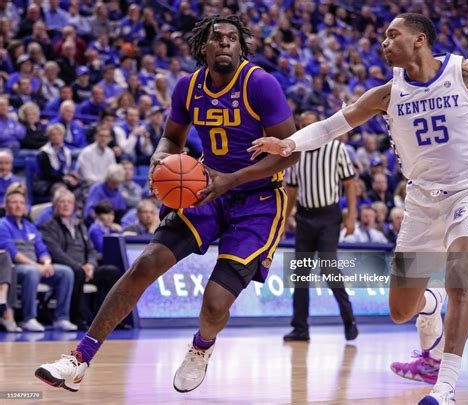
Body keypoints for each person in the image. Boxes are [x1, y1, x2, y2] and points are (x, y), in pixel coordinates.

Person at [35, 15, 298, 394]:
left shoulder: (260, 84)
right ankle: (78, 359)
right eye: (216, 38)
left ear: (241, 47)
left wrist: (234, 179)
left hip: (258, 199)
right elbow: (171, 139)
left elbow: (290, 153)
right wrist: (161, 160)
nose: (224, 43)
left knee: (214, 303)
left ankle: (200, 348)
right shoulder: (188, 87)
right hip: (207, 189)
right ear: (203, 47)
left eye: (232, 38)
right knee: (145, 264)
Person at [248, 13, 468, 405]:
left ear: (419, 40)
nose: (384, 43)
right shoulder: (387, 93)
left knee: (462, 277)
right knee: (401, 310)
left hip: (467, 192)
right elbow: (332, 125)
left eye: (392, 35)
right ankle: (433, 302)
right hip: (420, 203)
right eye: (383, 36)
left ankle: (445, 387)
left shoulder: (465, 73)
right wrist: (288, 146)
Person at [283, 111, 359, 342]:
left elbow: (349, 184)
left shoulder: (336, 149)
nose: (306, 129)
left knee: (329, 269)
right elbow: (292, 190)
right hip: (305, 218)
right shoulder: (297, 153)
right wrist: (286, 217)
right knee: (300, 274)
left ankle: (349, 319)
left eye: (310, 125)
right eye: (303, 125)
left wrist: (352, 216)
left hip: (329, 217)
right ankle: (300, 328)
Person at [40, 189, 121, 330]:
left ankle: (107, 319)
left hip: (86, 268)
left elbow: (91, 250)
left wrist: (90, 264)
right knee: (77, 272)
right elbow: (56, 253)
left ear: (74, 206)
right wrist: (80, 266)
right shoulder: (48, 227)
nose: (66, 205)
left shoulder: (80, 226)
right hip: (67, 268)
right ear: (55, 205)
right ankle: (78, 318)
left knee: (111, 272)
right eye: (62, 202)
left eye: (69, 202)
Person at [0, 184, 76, 332]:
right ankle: (29, 318)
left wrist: (47, 263)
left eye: (21, 203)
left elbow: (41, 249)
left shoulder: (30, 226)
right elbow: (12, 253)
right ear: (6, 206)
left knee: (66, 272)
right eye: (14, 202)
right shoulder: (2, 225)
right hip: (15, 268)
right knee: (31, 272)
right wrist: (37, 266)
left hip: (36, 265)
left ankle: (61, 318)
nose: (18, 206)